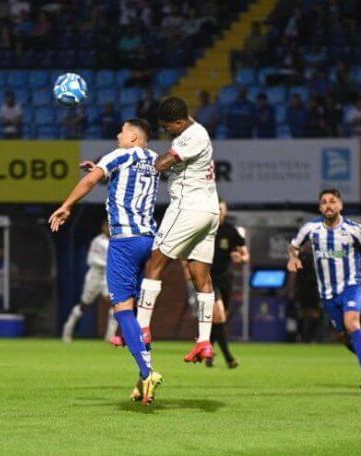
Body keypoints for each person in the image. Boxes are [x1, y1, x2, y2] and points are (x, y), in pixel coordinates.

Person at [48, 118, 162, 405]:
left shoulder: (117, 155)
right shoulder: (153, 159)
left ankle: (148, 372)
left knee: (122, 310)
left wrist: (65, 206)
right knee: (137, 316)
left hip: (124, 242)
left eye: (122, 132)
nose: (117, 135)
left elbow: (89, 181)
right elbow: (127, 180)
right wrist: (104, 170)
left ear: (134, 137)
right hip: (150, 240)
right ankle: (142, 374)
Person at [132, 96, 220, 364]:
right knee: (200, 275)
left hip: (188, 207)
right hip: (210, 210)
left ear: (180, 121)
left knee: (156, 261)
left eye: (168, 125)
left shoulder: (191, 136)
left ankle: (141, 327)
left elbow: (162, 164)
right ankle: (204, 341)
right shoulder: (194, 132)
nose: (166, 130)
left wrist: (136, 161)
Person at [287, 188, 361, 390]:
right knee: (345, 337)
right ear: (320, 207)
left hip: (351, 285)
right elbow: (293, 246)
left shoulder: (353, 229)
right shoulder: (311, 229)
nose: (328, 205)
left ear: (340, 205)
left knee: (352, 323)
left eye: (332, 201)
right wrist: (293, 258)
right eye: (323, 202)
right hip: (327, 292)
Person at [204, 200, 249, 368]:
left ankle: (208, 353)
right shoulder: (204, 229)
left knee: (219, 320)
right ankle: (229, 358)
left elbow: (246, 256)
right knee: (219, 315)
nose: (217, 211)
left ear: (225, 211)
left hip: (226, 279)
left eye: (220, 208)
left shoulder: (231, 231)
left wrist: (240, 258)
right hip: (208, 279)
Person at [61, 221, 117, 343]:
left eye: (111, 226)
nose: (108, 228)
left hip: (109, 277)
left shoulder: (117, 241)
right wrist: (109, 264)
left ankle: (110, 336)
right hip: (95, 276)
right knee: (84, 305)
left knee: (114, 304)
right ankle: (68, 328)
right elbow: (92, 259)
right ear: (102, 227)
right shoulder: (97, 241)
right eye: (106, 226)